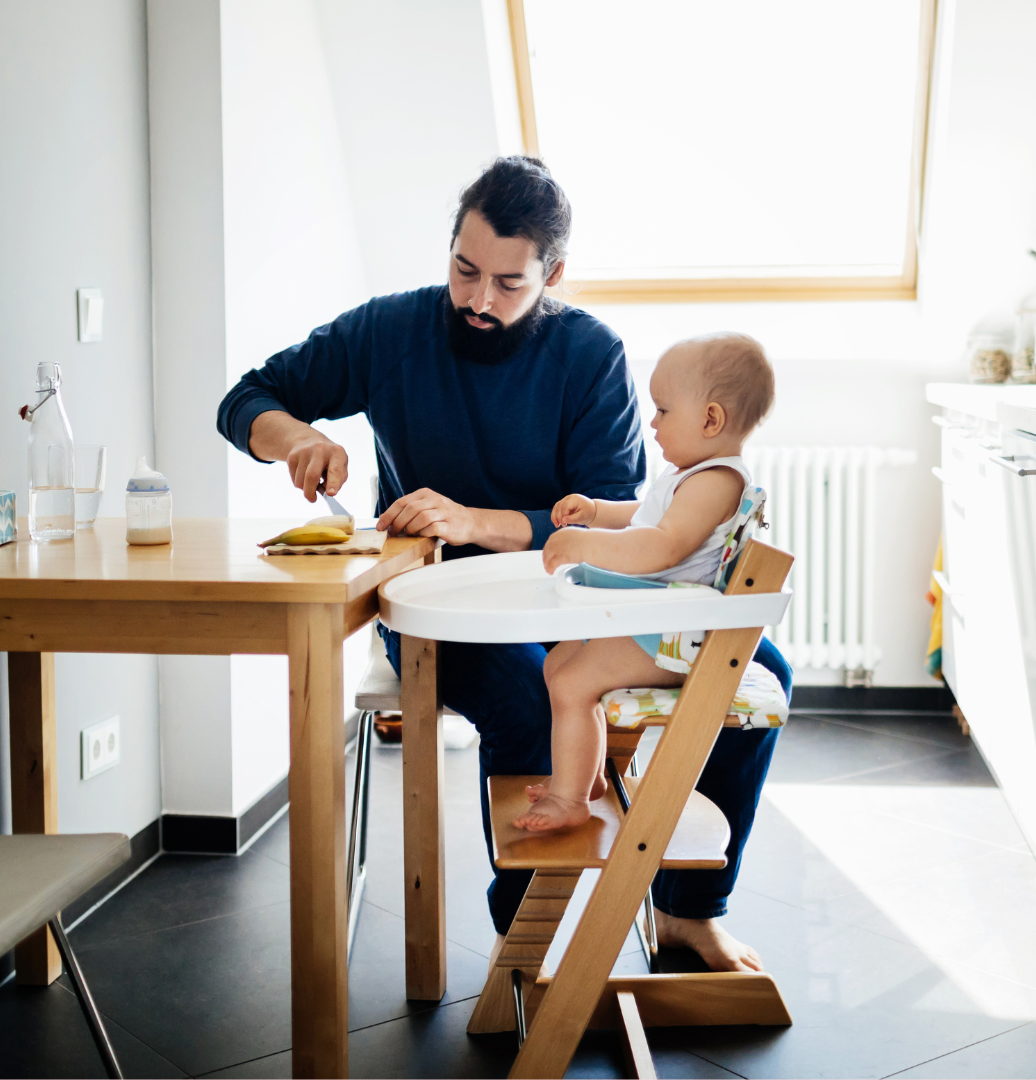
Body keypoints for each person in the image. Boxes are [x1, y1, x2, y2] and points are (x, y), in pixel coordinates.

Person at [216, 156, 790, 974]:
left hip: (583, 600)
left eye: (509, 283)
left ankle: (687, 912)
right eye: (464, 269)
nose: (479, 300)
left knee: (758, 666)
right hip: (436, 606)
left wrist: (481, 520)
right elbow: (246, 397)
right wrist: (297, 438)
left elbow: (614, 509)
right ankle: (527, 948)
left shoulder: (590, 353)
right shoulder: (390, 330)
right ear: (450, 249)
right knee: (528, 698)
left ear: (553, 274)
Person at [515, 333, 774, 833]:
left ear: (710, 419)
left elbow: (661, 545)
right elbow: (646, 517)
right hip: (659, 624)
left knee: (573, 681)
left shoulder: (715, 481)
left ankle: (570, 800)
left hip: (676, 639)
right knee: (559, 664)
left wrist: (584, 544)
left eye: (662, 410)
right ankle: (584, 777)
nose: (652, 423)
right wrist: (596, 512)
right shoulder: (693, 477)